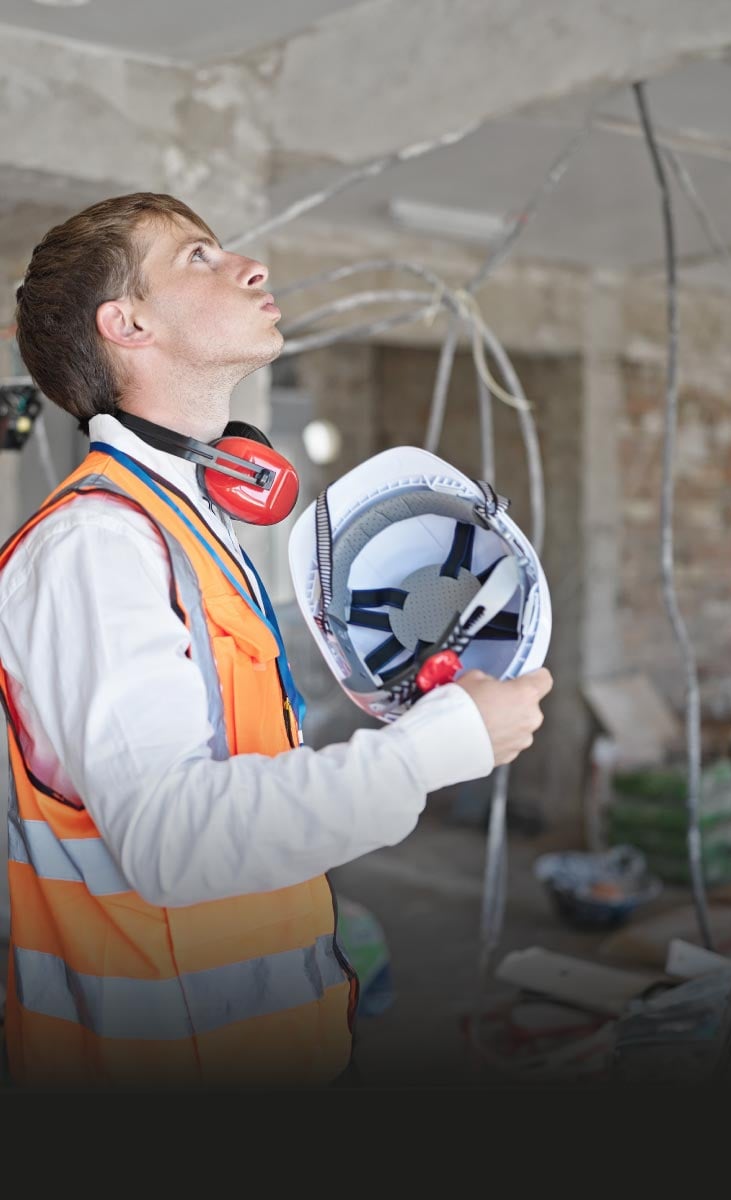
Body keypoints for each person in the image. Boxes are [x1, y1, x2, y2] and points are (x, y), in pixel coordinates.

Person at [1, 192, 552, 1089]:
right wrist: (432, 750)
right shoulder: (95, 546)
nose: (250, 267)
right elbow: (170, 842)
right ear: (127, 322)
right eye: (199, 257)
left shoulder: (190, 523)